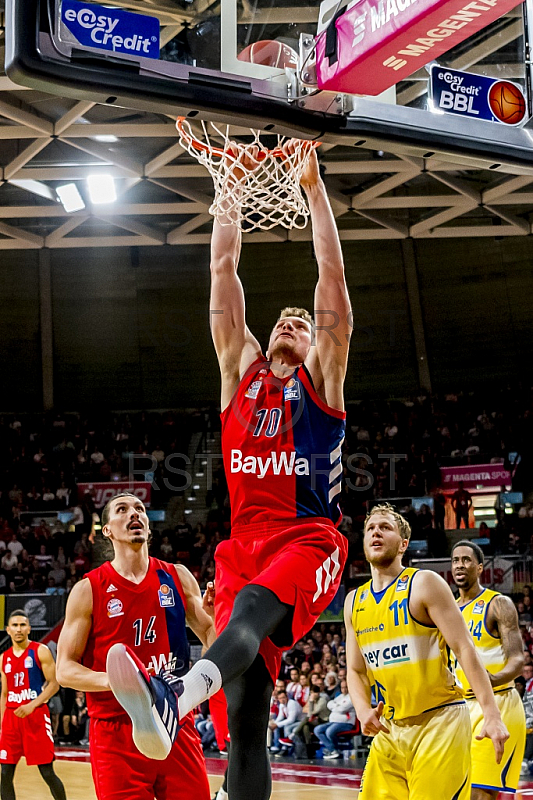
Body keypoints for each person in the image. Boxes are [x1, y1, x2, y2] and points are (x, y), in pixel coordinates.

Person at [107, 142, 351, 800]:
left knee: (243, 612)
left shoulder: (322, 381)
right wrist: (230, 188)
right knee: (245, 718)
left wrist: (312, 188)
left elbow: (329, 275)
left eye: (303, 324)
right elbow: (222, 267)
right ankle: (195, 717)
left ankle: (172, 699)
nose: (292, 323)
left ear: (314, 344)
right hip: (241, 545)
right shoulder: (236, 374)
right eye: (284, 319)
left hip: (308, 538)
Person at [345, 503, 509, 800]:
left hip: (439, 721)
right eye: (370, 528)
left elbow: (464, 648)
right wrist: (361, 708)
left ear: (403, 544)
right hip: (390, 730)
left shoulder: (424, 584)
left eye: (385, 527)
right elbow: (355, 670)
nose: (375, 532)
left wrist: (491, 713)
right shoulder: (353, 601)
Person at [56, 492, 213, 800]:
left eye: (139, 508)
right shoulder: (88, 589)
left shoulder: (177, 576)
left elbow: (211, 637)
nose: (134, 514)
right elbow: (64, 669)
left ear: (149, 527)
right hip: (116, 732)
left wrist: (218, 618)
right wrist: (118, 680)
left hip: (175, 721)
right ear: (107, 530)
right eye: (123, 509)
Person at [452, 539, 526, 798]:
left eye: (466, 560)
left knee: (479, 794)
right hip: (459, 710)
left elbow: (518, 660)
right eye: (455, 560)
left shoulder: (498, 604)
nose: (460, 565)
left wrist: (489, 681)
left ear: (480, 567)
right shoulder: (446, 609)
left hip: (498, 703)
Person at [0, 610, 66, 800]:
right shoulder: (4, 658)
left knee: (46, 772)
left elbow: (54, 683)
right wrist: (3, 724)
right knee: (5, 774)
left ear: (29, 628)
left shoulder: (40, 650)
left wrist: (32, 705)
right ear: (8, 630)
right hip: (12, 719)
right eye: (14, 625)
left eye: (22, 625)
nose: (18, 629)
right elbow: (4, 693)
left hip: (35, 716)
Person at [313, 678, 355, 759]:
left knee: (329, 732)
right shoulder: (340, 696)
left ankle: (332, 750)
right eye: (342, 687)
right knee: (317, 729)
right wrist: (337, 706)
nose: (344, 689)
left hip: (346, 723)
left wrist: (335, 706)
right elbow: (329, 704)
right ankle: (333, 750)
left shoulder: (352, 697)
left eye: (346, 687)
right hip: (333, 722)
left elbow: (342, 709)